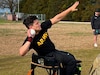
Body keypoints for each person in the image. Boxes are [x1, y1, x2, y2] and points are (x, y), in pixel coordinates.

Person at [19, 1, 79, 75]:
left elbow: (57, 18)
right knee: (71, 60)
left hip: (54, 52)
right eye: (37, 23)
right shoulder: (31, 39)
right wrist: (30, 38)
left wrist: (70, 9)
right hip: (48, 57)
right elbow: (21, 52)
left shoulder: (43, 27)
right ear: (31, 27)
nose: (39, 24)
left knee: (70, 57)